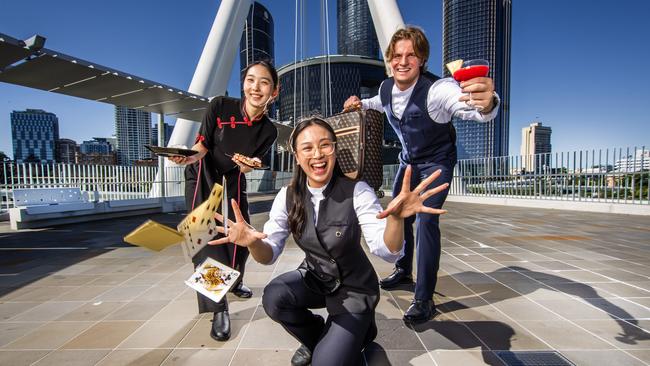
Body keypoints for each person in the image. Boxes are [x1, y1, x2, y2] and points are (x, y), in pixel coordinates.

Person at [209, 117, 449, 366]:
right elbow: (268, 255)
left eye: (325, 145)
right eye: (307, 147)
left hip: (354, 290)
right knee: (274, 296)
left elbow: (387, 250)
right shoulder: (287, 196)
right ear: (297, 156)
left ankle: (360, 334)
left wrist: (396, 219)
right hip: (316, 279)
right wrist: (251, 242)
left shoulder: (358, 191)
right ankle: (318, 337)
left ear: (335, 149)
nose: (317, 154)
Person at [343, 26, 500, 324]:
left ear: (422, 59)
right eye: (397, 56)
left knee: (427, 221)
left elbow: (469, 107)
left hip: (437, 162)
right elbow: (380, 103)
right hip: (409, 162)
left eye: (411, 56)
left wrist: (487, 103)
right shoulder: (386, 87)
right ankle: (403, 270)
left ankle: (424, 298)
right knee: (399, 214)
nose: (403, 62)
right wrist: (360, 103)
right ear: (389, 59)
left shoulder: (438, 90)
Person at [169, 60, 279, 342]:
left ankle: (236, 280)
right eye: (250, 80)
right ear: (243, 84)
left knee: (242, 237)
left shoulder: (269, 131)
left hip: (234, 177)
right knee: (202, 239)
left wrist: (249, 165)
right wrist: (187, 156)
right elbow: (202, 145)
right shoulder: (220, 106)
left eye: (264, 82)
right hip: (203, 173)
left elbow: (248, 164)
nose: (256, 87)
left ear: (274, 92)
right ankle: (218, 308)